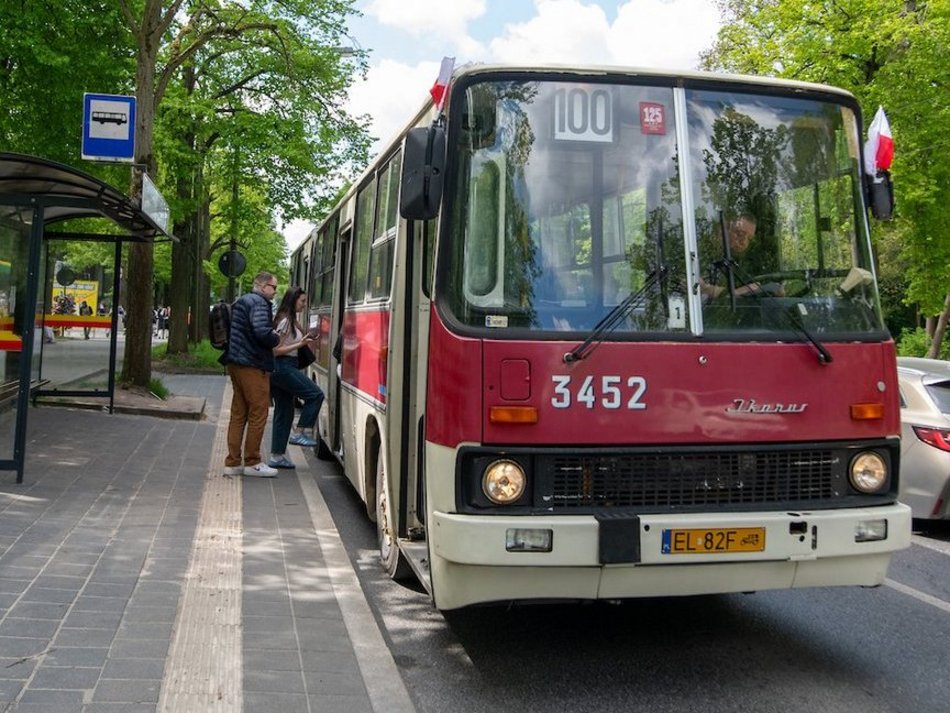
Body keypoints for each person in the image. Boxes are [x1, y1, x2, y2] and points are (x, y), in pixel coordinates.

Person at [223, 272, 281, 477]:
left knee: (238, 414)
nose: (275, 291)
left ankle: (232, 462)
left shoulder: (243, 300)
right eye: (274, 287)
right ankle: (253, 461)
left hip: (236, 362)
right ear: (263, 286)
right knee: (259, 412)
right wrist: (275, 337)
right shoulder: (259, 303)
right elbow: (261, 331)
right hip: (253, 364)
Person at [267, 287, 324, 469]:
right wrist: (300, 343)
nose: (304, 305)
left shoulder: (289, 320)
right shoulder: (285, 321)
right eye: (302, 301)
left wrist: (303, 339)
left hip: (281, 369)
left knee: (284, 412)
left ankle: (277, 456)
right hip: (283, 366)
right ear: (293, 301)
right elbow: (275, 351)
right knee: (315, 394)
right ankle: (299, 432)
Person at [700, 213, 784, 299]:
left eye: (749, 239)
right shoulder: (701, 251)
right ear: (724, 229)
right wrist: (739, 292)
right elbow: (697, 287)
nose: (744, 242)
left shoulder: (741, 262)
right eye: (740, 234)